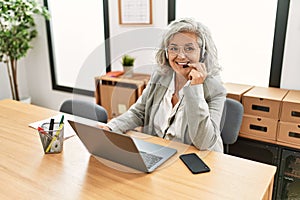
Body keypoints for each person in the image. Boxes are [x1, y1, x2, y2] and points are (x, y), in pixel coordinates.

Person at [101, 18, 227, 152]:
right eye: (174, 48)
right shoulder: (161, 76)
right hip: (158, 153)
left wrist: (195, 89)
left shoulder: (215, 90)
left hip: (196, 160)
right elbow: (139, 112)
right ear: (167, 52)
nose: (181, 56)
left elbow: (204, 142)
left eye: (189, 48)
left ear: (202, 53)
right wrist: (111, 127)